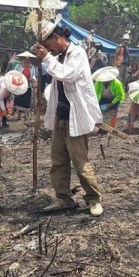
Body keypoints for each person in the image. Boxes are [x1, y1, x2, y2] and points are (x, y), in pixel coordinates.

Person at [33, 15, 104, 217]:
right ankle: (63, 198)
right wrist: (44, 60)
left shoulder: (77, 53)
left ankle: (93, 198)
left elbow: (68, 75)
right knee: (58, 160)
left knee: (80, 161)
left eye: (49, 45)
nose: (50, 50)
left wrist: (46, 58)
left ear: (57, 37)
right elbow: (55, 75)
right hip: (60, 116)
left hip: (76, 117)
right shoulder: (56, 58)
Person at [13, 52, 39, 120]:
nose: (26, 61)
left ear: (30, 60)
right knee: (19, 100)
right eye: (25, 59)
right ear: (22, 59)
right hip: (20, 85)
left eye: (28, 59)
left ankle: (26, 116)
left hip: (28, 85)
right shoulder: (18, 66)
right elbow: (14, 74)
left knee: (26, 100)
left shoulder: (32, 67)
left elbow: (33, 76)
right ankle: (19, 115)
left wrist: (33, 79)